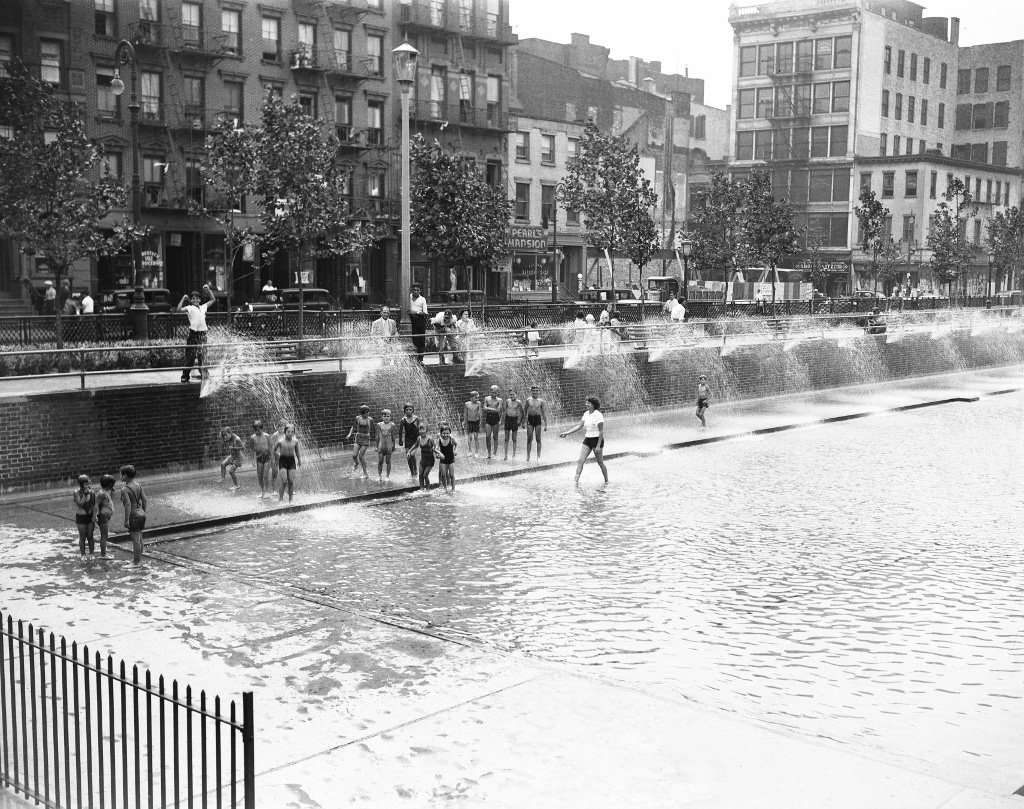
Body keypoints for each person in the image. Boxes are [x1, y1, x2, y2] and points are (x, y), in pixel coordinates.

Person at [560, 396, 609, 485]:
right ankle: (576, 481)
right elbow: (579, 426)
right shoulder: (586, 414)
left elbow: (601, 431)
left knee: (600, 462)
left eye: (588, 403)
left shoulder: (598, 415)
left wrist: (598, 446)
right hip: (587, 440)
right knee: (580, 461)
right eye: (586, 402)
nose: (586, 404)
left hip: (597, 440)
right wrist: (567, 433)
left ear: (594, 404)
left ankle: (606, 481)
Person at [177, 285, 216, 383]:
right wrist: (183, 299)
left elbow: (213, 300)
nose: (195, 300)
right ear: (190, 300)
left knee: (202, 355)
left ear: (200, 300)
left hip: (203, 334)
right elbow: (178, 310)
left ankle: (204, 373)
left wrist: (208, 290)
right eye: (193, 298)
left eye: (197, 298)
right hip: (194, 333)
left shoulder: (203, 307)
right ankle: (185, 375)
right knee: (190, 355)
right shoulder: (189, 308)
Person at [119, 464, 147, 566]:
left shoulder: (124, 489)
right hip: (141, 514)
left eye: (121, 474)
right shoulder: (138, 486)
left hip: (134, 516)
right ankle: (138, 559)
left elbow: (127, 504)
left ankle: (136, 562)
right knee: (140, 539)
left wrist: (126, 520)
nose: (120, 476)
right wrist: (143, 511)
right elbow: (144, 500)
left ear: (125, 476)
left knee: (135, 540)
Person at [274, 423, 301, 502]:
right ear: (285, 432)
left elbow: (297, 451)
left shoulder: (295, 441)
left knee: (291, 481)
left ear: (294, 433)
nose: (290, 433)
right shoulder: (280, 441)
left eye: (292, 432)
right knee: (284, 481)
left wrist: (299, 460)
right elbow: (273, 449)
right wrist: (274, 458)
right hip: (282, 461)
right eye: (288, 431)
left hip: (291, 461)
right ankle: (280, 498)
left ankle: (291, 498)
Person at [347, 404, 375, 478]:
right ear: (361, 413)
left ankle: (365, 474)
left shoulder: (370, 420)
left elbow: (375, 429)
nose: (366, 414)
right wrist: (350, 434)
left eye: (367, 412)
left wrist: (377, 439)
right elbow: (353, 426)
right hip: (358, 437)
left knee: (361, 456)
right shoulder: (357, 418)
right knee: (354, 456)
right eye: (365, 412)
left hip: (366, 438)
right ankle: (356, 464)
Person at [73, 474, 96, 561]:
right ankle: (83, 554)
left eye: (89, 484)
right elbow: (80, 504)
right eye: (86, 484)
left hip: (90, 517)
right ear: (81, 484)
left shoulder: (92, 493)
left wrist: (94, 516)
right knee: (82, 536)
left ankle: (91, 553)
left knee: (90, 536)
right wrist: (85, 495)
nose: (88, 486)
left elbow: (93, 506)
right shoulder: (76, 493)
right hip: (81, 517)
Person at [408, 423, 435, 490]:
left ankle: (428, 489)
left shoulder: (430, 439)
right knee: (420, 475)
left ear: (426, 430)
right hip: (423, 460)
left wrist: (436, 453)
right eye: (420, 429)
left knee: (425, 475)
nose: (422, 431)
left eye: (423, 429)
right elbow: (415, 445)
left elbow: (435, 446)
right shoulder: (419, 438)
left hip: (430, 460)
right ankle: (421, 488)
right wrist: (409, 451)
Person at [250, 420, 273, 498]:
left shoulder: (267, 436)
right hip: (259, 458)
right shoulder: (252, 438)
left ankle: (266, 491)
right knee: (259, 476)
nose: (257, 432)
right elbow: (251, 449)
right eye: (256, 430)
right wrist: (252, 459)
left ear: (262, 428)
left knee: (265, 475)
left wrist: (272, 459)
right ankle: (263, 491)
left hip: (267, 457)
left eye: (259, 430)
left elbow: (271, 447)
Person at [94, 474, 115, 558]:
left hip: (105, 516)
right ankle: (103, 555)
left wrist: (112, 490)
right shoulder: (102, 494)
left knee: (105, 535)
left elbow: (112, 499)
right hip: (103, 516)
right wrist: (95, 515)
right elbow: (96, 505)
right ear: (110, 485)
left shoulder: (106, 492)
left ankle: (104, 553)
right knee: (104, 536)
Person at [398, 403, 421, 478]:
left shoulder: (416, 419)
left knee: (412, 454)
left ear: (413, 410)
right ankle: (412, 472)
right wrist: (400, 440)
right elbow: (400, 431)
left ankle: (415, 470)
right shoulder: (403, 420)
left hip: (415, 440)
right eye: (407, 410)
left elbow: (420, 429)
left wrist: (421, 439)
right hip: (407, 440)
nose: (408, 411)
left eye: (410, 409)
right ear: (404, 411)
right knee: (408, 457)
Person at [524, 385, 547, 462]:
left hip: (537, 419)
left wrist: (546, 424)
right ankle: (528, 456)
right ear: (531, 391)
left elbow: (543, 413)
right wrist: (523, 422)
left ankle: (538, 456)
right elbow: (525, 411)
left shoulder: (541, 401)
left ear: (538, 391)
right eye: (534, 391)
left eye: (536, 391)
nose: (535, 392)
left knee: (538, 438)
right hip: (530, 419)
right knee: (529, 438)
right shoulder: (528, 400)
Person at [408, 285, 429, 362]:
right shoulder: (408, 297)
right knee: (414, 338)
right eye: (414, 290)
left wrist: (415, 312)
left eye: (417, 290)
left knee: (421, 339)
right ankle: (413, 357)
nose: (416, 292)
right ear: (412, 290)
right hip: (411, 320)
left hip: (420, 320)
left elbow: (425, 313)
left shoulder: (422, 299)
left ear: (420, 291)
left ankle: (420, 358)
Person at [502, 388, 524, 460]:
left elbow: (522, 412)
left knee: (514, 438)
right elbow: (503, 410)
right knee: (506, 438)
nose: (512, 396)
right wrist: (501, 419)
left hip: (514, 419)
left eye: (513, 394)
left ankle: (514, 455)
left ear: (516, 394)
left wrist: (521, 421)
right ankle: (505, 455)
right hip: (508, 419)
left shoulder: (519, 402)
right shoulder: (508, 401)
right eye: (510, 394)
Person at [375, 409, 398, 481]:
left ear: (390, 417)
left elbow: (393, 437)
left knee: (388, 461)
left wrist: (393, 446)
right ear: (382, 416)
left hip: (388, 445)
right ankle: (379, 475)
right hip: (381, 445)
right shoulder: (379, 425)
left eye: (388, 416)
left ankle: (387, 476)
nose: (386, 418)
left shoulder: (392, 425)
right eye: (384, 416)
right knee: (380, 461)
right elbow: (377, 436)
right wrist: (376, 446)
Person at [435, 423, 457, 493]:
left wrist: (455, 450)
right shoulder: (439, 440)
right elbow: (435, 448)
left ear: (449, 433)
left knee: (451, 475)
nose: (445, 435)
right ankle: (445, 489)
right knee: (443, 475)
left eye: (447, 433)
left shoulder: (451, 439)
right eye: (444, 433)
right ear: (441, 433)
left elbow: (456, 444)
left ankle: (453, 489)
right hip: (443, 460)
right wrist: (438, 454)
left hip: (451, 459)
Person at [482, 385, 503, 459]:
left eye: (495, 392)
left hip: (495, 418)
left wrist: (489, 409)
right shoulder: (486, 399)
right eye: (492, 392)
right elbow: (484, 408)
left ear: (497, 392)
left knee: (495, 436)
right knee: (487, 436)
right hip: (489, 418)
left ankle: (495, 453)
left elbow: (498, 410)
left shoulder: (499, 400)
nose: (494, 394)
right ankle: (489, 453)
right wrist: (493, 409)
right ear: (490, 392)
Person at [462, 390, 482, 457]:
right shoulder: (467, 404)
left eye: (477, 397)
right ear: (471, 398)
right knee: (470, 437)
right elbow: (465, 413)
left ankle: (476, 452)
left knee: (476, 437)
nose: (477, 399)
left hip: (476, 421)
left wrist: (480, 421)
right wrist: (465, 421)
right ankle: (470, 451)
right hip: (469, 422)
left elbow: (480, 412)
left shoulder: (478, 403)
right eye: (475, 397)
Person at [269, 419, 287, 488]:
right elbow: (270, 447)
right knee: (274, 474)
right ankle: (274, 490)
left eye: (283, 427)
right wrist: (274, 455)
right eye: (280, 427)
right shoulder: (275, 435)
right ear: (277, 427)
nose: (282, 429)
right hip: (276, 457)